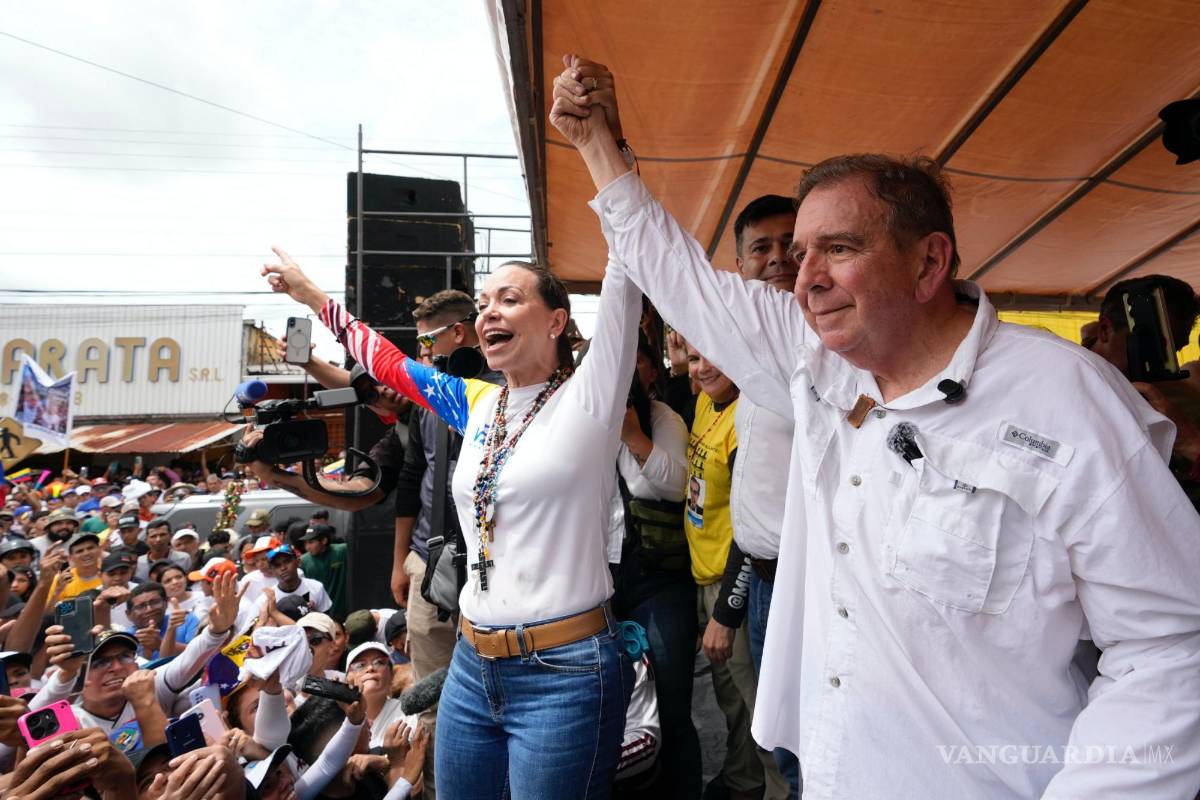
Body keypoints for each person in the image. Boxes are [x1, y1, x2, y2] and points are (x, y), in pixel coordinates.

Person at [553, 56, 1200, 797]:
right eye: (800, 255)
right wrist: (597, 144)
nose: (805, 278)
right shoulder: (816, 359)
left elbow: (1170, 647)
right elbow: (682, 278)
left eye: (839, 248)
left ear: (929, 264)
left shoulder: (1066, 399)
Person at [262, 175, 641, 796]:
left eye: (511, 299)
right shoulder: (476, 402)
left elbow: (625, 277)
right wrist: (312, 296)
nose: (489, 310)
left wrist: (605, 156)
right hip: (471, 663)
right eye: (484, 301)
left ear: (556, 321)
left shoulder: (589, 399)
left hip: (565, 671)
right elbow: (386, 361)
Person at [725, 193, 804, 797]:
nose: (779, 258)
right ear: (741, 266)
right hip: (763, 578)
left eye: (792, 245)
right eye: (762, 248)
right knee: (774, 728)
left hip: (808, 584)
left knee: (806, 739)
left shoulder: (826, 347)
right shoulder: (745, 352)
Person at [391, 289, 498, 689]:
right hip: (427, 561)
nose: (421, 349)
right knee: (431, 695)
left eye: (425, 339)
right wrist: (401, 562)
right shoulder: (427, 398)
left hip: (494, 565)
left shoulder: (504, 391)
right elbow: (411, 476)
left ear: (457, 332)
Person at [259, 544, 331, 614]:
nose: (283, 568)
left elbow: (330, 621)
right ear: (272, 570)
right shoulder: (268, 599)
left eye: (287, 561)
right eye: (277, 565)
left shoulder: (316, 587)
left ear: (298, 562)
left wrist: (314, 614)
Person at [299, 524, 348, 620]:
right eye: (306, 543)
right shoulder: (304, 561)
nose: (307, 547)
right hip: (320, 612)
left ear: (324, 541)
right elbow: (303, 586)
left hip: (344, 609)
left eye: (311, 542)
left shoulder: (342, 551)